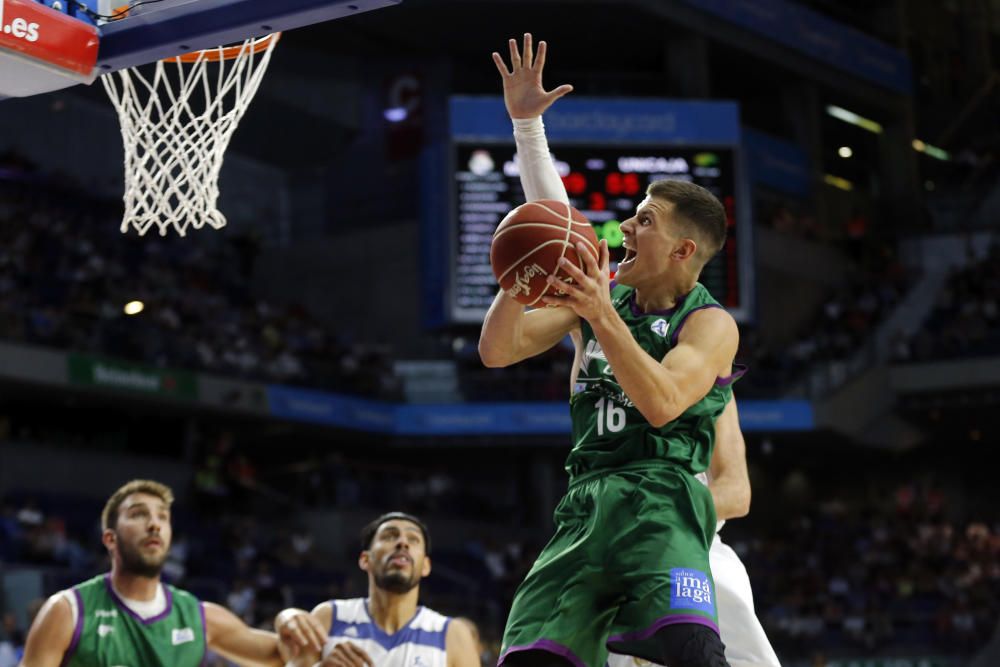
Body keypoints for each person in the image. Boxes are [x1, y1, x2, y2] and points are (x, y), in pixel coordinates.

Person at [482, 34, 743, 667]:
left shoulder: (708, 326)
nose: (624, 227)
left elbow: (660, 404)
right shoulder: (591, 300)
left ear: (684, 252)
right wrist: (523, 279)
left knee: (692, 650)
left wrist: (600, 312)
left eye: (645, 221)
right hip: (587, 499)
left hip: (666, 504)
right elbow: (498, 350)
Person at [19, 479, 293, 667]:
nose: (154, 524)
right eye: (139, 514)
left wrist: (290, 618)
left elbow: (287, 654)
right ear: (110, 539)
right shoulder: (67, 612)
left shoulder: (201, 617)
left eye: (163, 517)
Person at [275, 512, 479, 667]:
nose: (402, 543)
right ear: (365, 559)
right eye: (390, 536)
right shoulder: (329, 616)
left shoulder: (453, 635)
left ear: (426, 566)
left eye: (413, 539)